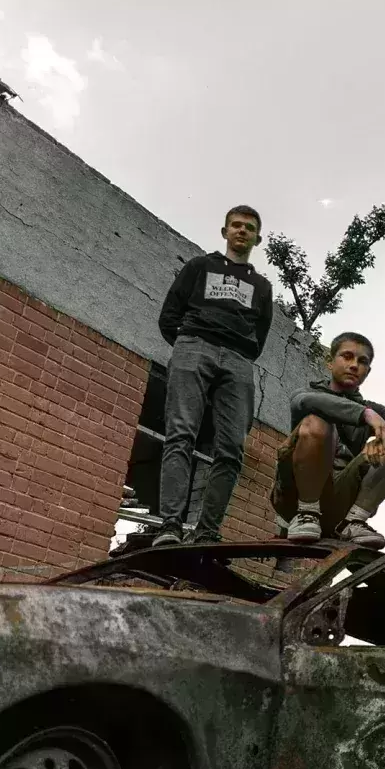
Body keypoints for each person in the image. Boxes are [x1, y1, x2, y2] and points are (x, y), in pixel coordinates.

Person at [154, 206, 274, 545]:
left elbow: (259, 336)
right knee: (181, 433)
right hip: (195, 346)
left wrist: (237, 353)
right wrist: (185, 346)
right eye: (235, 225)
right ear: (225, 232)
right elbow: (169, 314)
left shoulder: (261, 286)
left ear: (257, 238)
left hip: (237, 360)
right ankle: (170, 527)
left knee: (232, 448)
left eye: (249, 228)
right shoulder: (200, 266)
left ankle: (207, 532)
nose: (241, 231)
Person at [273, 332, 385, 549]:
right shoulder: (305, 394)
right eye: (347, 357)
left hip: (340, 499)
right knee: (318, 421)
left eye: (362, 361)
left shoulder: (372, 407)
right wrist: (366, 415)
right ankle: (307, 513)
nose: (354, 365)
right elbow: (308, 402)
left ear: (367, 372)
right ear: (330, 362)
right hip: (294, 500)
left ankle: (353, 521)